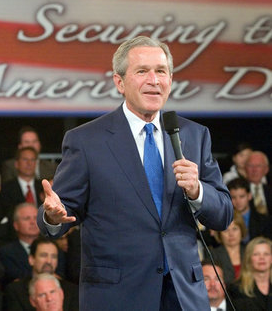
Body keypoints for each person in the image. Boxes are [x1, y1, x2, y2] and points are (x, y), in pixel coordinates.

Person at [38, 36, 233, 310]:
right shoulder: (87, 140)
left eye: (161, 71)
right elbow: (62, 210)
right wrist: (52, 216)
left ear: (170, 79)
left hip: (183, 296)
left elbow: (223, 213)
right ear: (119, 82)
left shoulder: (194, 135)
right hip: (118, 296)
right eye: (142, 71)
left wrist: (197, 190)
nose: (154, 80)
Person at [4, 237, 78, 311]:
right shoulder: (15, 291)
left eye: (53, 256)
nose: (49, 261)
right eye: (43, 255)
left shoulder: (71, 290)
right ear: (31, 260)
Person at [0, 203, 41, 285]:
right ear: (16, 225)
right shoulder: (6, 252)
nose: (33, 222)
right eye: (27, 218)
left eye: (36, 218)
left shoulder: (52, 247)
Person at [229, 236, 272, 310]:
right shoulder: (236, 289)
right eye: (256, 254)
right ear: (249, 258)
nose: (262, 258)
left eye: (266, 254)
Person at [227, 177, 271, 243]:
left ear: (249, 196)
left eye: (242, 196)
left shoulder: (264, 221)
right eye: (233, 197)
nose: (238, 201)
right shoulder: (224, 220)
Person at [211, 211, 247, 285]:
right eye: (226, 230)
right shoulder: (213, 255)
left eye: (235, 229)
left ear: (241, 230)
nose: (231, 234)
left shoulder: (250, 252)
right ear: (219, 233)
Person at [245, 151, 271, 215]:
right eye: (251, 165)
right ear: (245, 168)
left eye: (258, 166)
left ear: (266, 169)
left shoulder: (270, 190)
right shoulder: (240, 191)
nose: (254, 170)